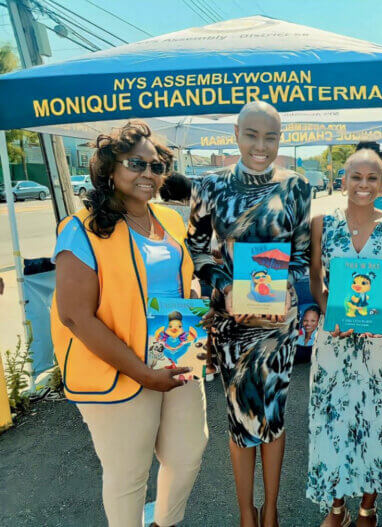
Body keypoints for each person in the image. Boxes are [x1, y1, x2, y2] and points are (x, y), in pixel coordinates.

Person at [50, 121, 208, 527]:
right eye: (136, 163)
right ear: (109, 169)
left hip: (175, 356)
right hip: (116, 369)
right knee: (128, 476)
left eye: (156, 167)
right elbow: (74, 315)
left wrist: (197, 316)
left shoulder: (170, 222)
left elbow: (179, 284)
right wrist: (141, 372)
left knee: (188, 453)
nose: (148, 174)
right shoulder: (81, 229)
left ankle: (163, 523)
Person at [186, 101, 311, 527]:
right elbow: (198, 247)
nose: (261, 145)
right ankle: (245, 513)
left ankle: (271, 509)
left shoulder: (297, 185)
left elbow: (302, 253)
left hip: (277, 326)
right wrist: (224, 288)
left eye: (271, 136)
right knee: (239, 419)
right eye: (252, 135)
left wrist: (284, 290)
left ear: (280, 138)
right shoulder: (209, 185)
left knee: (273, 417)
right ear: (236, 134)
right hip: (232, 324)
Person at [307, 149, 382, 527]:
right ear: (343, 180)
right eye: (357, 177)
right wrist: (326, 310)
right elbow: (316, 276)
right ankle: (337, 508)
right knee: (334, 422)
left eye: (372, 178)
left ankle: (368, 507)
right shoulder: (321, 221)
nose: (364, 185)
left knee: (378, 421)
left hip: (380, 341)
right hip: (334, 339)